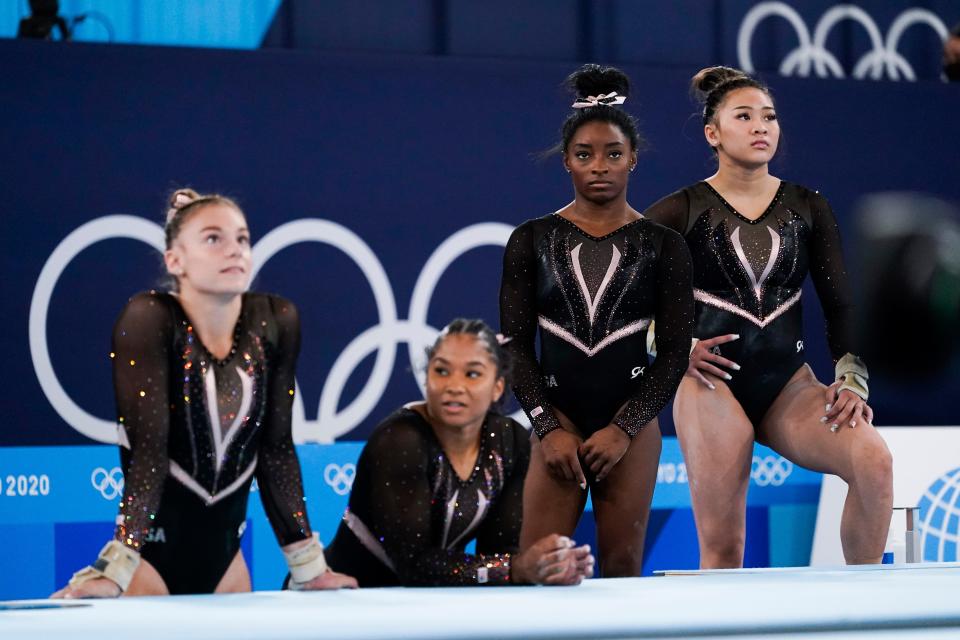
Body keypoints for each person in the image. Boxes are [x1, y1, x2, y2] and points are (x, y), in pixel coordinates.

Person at [644, 66, 893, 568]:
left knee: (873, 460)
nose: (762, 127)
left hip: (788, 386)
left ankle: (867, 610)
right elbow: (628, 306)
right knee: (725, 545)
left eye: (770, 117)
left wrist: (851, 380)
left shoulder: (808, 206)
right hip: (711, 383)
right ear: (713, 134)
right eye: (745, 116)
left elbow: (840, 303)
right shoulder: (677, 211)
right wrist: (675, 346)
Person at [53, 189, 356, 597]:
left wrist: (308, 566)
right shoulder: (149, 319)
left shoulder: (276, 321)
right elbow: (149, 453)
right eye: (213, 239)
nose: (234, 250)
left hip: (226, 567)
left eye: (242, 239)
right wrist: (117, 566)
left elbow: (276, 450)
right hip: (149, 566)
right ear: (174, 260)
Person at [499, 65, 694, 577]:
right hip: (557, 419)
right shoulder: (531, 239)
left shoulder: (664, 246)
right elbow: (516, 346)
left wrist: (625, 428)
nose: (599, 166)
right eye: (585, 155)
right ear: (566, 161)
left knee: (623, 564)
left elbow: (675, 352)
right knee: (543, 564)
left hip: (628, 422)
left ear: (633, 157)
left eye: (612, 154)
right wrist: (546, 426)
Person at [324, 319, 594, 586]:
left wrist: (548, 566)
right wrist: (515, 568)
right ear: (426, 376)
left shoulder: (509, 441)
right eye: (441, 371)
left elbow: (498, 553)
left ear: (497, 386)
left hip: (424, 606)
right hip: (344, 602)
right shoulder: (400, 440)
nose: (454, 386)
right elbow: (413, 565)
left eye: (472, 374)